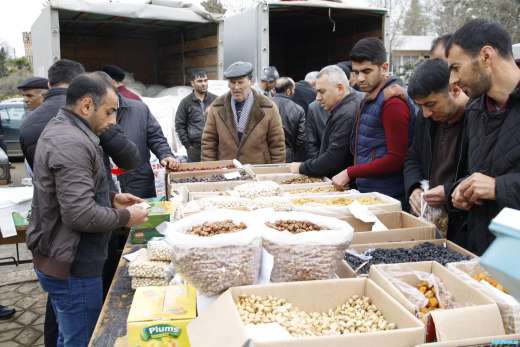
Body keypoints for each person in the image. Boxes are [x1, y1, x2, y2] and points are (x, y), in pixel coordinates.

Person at [27, 73, 149, 347]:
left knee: (68, 333)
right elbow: (79, 214)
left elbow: (69, 194)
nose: (113, 120)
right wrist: (127, 216)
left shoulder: (68, 130)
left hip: (65, 255)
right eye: (109, 111)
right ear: (85, 106)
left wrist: (112, 198)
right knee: (80, 338)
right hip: (73, 263)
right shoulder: (71, 142)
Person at [446, 19, 520, 255]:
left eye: (457, 67)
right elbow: (475, 173)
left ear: (486, 56)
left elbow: (492, 183)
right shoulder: (474, 110)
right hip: (483, 253)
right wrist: (459, 192)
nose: (452, 81)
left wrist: (499, 187)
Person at [332, 38, 414, 201]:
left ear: (384, 67)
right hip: (371, 191)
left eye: (367, 71)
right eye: (356, 72)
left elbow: (396, 159)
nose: (360, 78)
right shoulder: (371, 97)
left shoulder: (393, 103)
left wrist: (350, 172)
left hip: (388, 195)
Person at [404, 59, 469, 243]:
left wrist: (448, 192)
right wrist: (414, 188)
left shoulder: (476, 120)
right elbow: (413, 156)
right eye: (420, 106)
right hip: (432, 219)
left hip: (463, 225)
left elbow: (481, 174)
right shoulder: (425, 119)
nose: (425, 113)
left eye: (431, 104)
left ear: (455, 90)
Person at [201, 61, 285, 164]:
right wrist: (210, 171)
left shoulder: (268, 107)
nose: (236, 87)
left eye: (240, 82)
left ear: (251, 81)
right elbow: (209, 143)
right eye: (232, 82)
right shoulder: (217, 107)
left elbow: (277, 145)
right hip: (227, 170)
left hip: (258, 170)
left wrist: (275, 171)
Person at [290, 65, 362, 178]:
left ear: (340, 89)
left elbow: (334, 158)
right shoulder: (354, 103)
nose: (317, 98)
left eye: (322, 92)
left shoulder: (346, 113)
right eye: (317, 92)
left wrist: (302, 167)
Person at [20, 59, 85, 169]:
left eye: (30, 96)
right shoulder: (91, 111)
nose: (25, 100)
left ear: (49, 86)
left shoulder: (27, 124)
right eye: (24, 96)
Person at [114, 93, 177, 198]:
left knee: (144, 212)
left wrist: (165, 154)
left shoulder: (139, 109)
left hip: (139, 181)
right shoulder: (92, 113)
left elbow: (156, 137)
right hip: (108, 183)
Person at [175, 69, 217, 162]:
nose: (203, 84)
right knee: (197, 173)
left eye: (205, 80)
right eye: (199, 81)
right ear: (192, 83)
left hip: (213, 146)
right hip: (195, 148)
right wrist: (188, 146)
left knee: (214, 173)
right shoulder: (186, 102)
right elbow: (179, 125)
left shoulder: (215, 100)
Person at [271, 77, 306, 162]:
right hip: (288, 156)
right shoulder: (298, 109)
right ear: (289, 91)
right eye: (293, 89)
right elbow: (301, 139)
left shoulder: (264, 105)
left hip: (267, 154)